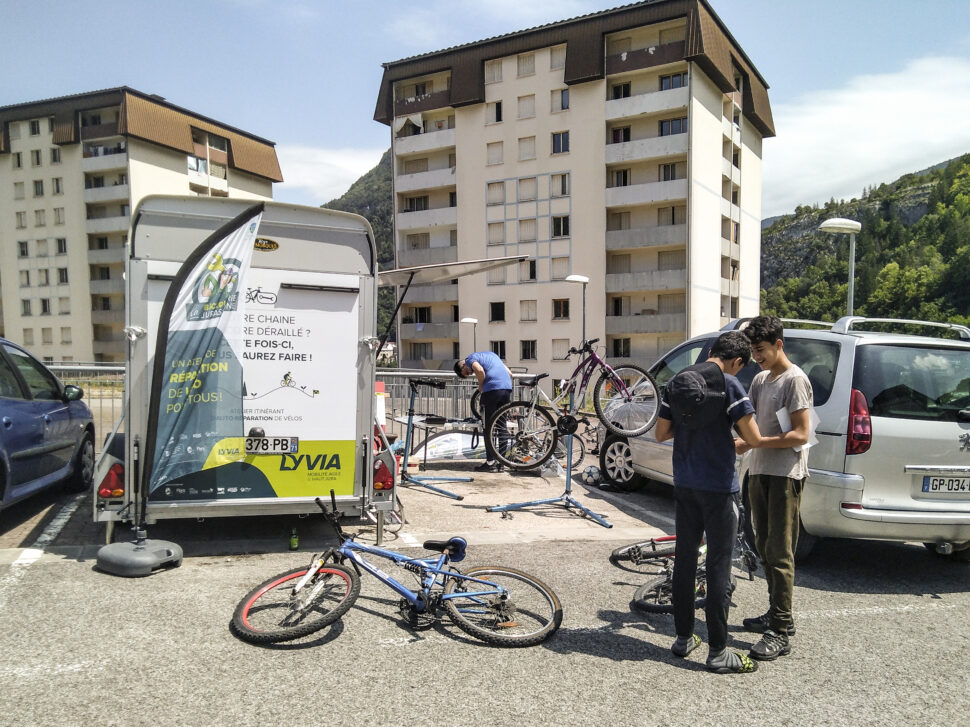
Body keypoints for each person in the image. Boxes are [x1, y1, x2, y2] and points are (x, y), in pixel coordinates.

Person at [654, 331, 762, 674]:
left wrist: (691, 430)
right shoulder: (730, 385)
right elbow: (753, 437)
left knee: (685, 561)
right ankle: (718, 651)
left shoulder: (679, 382)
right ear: (737, 361)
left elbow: (661, 433)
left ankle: (684, 638)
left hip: (685, 483)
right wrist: (732, 440)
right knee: (718, 565)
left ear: (711, 351)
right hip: (718, 487)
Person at [735, 315, 814, 662]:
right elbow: (749, 422)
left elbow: (801, 434)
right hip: (759, 471)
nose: (757, 357)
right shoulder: (761, 379)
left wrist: (756, 442)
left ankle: (781, 629)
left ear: (779, 344)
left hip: (785, 476)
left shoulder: (795, 380)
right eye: (753, 351)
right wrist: (745, 444)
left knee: (780, 553)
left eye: (762, 350)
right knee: (764, 548)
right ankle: (775, 612)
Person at [454, 351, 512, 472]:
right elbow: (510, 373)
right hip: (506, 389)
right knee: (502, 426)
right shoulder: (493, 355)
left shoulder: (470, 359)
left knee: (488, 427)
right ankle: (502, 463)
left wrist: (481, 385)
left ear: (463, 365)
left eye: (466, 372)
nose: (470, 373)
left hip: (491, 391)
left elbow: (479, 371)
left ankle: (490, 463)